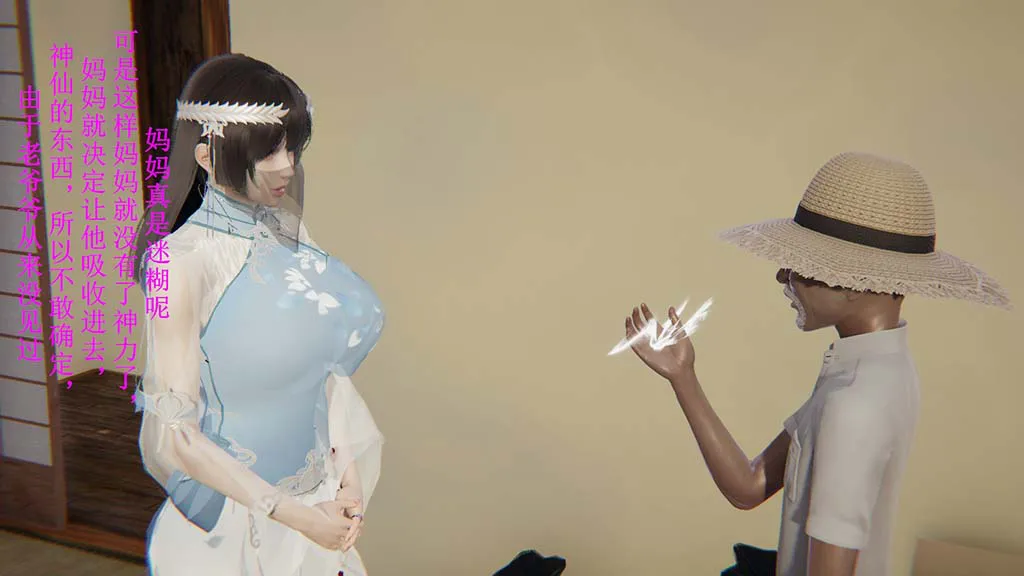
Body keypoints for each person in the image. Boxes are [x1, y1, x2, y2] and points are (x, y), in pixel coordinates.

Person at [622, 152, 1011, 575]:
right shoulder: (879, 371)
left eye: (801, 265)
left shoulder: (855, 403)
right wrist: (683, 377)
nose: (782, 277)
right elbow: (748, 488)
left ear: (854, 281)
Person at [131, 54, 385, 575]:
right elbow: (177, 432)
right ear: (207, 156)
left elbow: (325, 375)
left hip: (316, 503)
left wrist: (348, 480)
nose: (287, 165)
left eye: (292, 148)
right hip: (235, 518)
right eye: (269, 150)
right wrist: (294, 515)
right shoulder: (174, 264)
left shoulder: (289, 236)